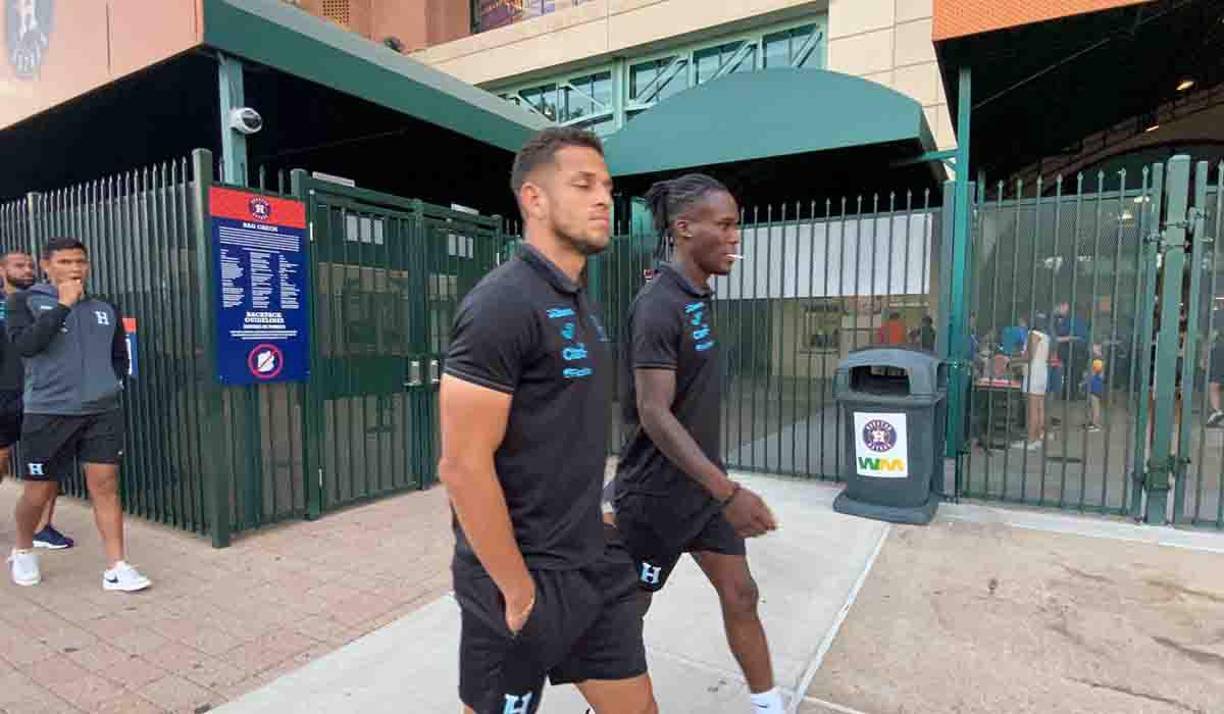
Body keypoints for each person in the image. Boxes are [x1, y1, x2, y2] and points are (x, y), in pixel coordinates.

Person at [438, 128, 656, 714]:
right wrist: (516, 590)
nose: (604, 198)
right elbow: (462, 466)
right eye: (583, 184)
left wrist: (598, 512)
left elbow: (562, 428)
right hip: (521, 579)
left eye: (607, 187)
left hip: (591, 564)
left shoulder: (578, 301)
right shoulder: (500, 304)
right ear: (533, 199)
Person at [611, 174, 783, 714]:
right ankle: (610, 700)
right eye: (726, 225)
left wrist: (716, 489)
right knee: (624, 616)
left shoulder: (698, 297)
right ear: (684, 229)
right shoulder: (658, 304)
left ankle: (769, 706)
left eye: (737, 224)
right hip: (654, 498)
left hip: (702, 493)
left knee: (741, 594)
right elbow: (653, 413)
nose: (737, 237)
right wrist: (729, 492)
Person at [6, 238, 149, 591]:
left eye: (81, 262)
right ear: (46, 265)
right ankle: (23, 549)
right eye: (66, 261)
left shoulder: (105, 307)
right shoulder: (23, 301)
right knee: (38, 492)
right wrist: (63, 306)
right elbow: (25, 345)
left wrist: (110, 384)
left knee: (106, 486)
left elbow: (119, 356)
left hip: (101, 412)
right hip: (49, 411)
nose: (75, 269)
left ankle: (117, 566)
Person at [0, 251, 73, 549]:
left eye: (30, 265)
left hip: (44, 394)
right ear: (2, 270)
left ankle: (43, 527)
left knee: (50, 461)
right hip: (6, 392)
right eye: (19, 265)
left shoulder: (48, 303)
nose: (27, 270)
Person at [1013, 315, 1051, 451]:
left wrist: (1012, 361)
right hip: (1042, 373)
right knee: (1040, 407)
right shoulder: (1046, 336)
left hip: (1033, 374)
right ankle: (1038, 437)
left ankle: (1030, 440)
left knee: (1031, 409)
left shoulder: (1033, 334)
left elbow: (1029, 356)